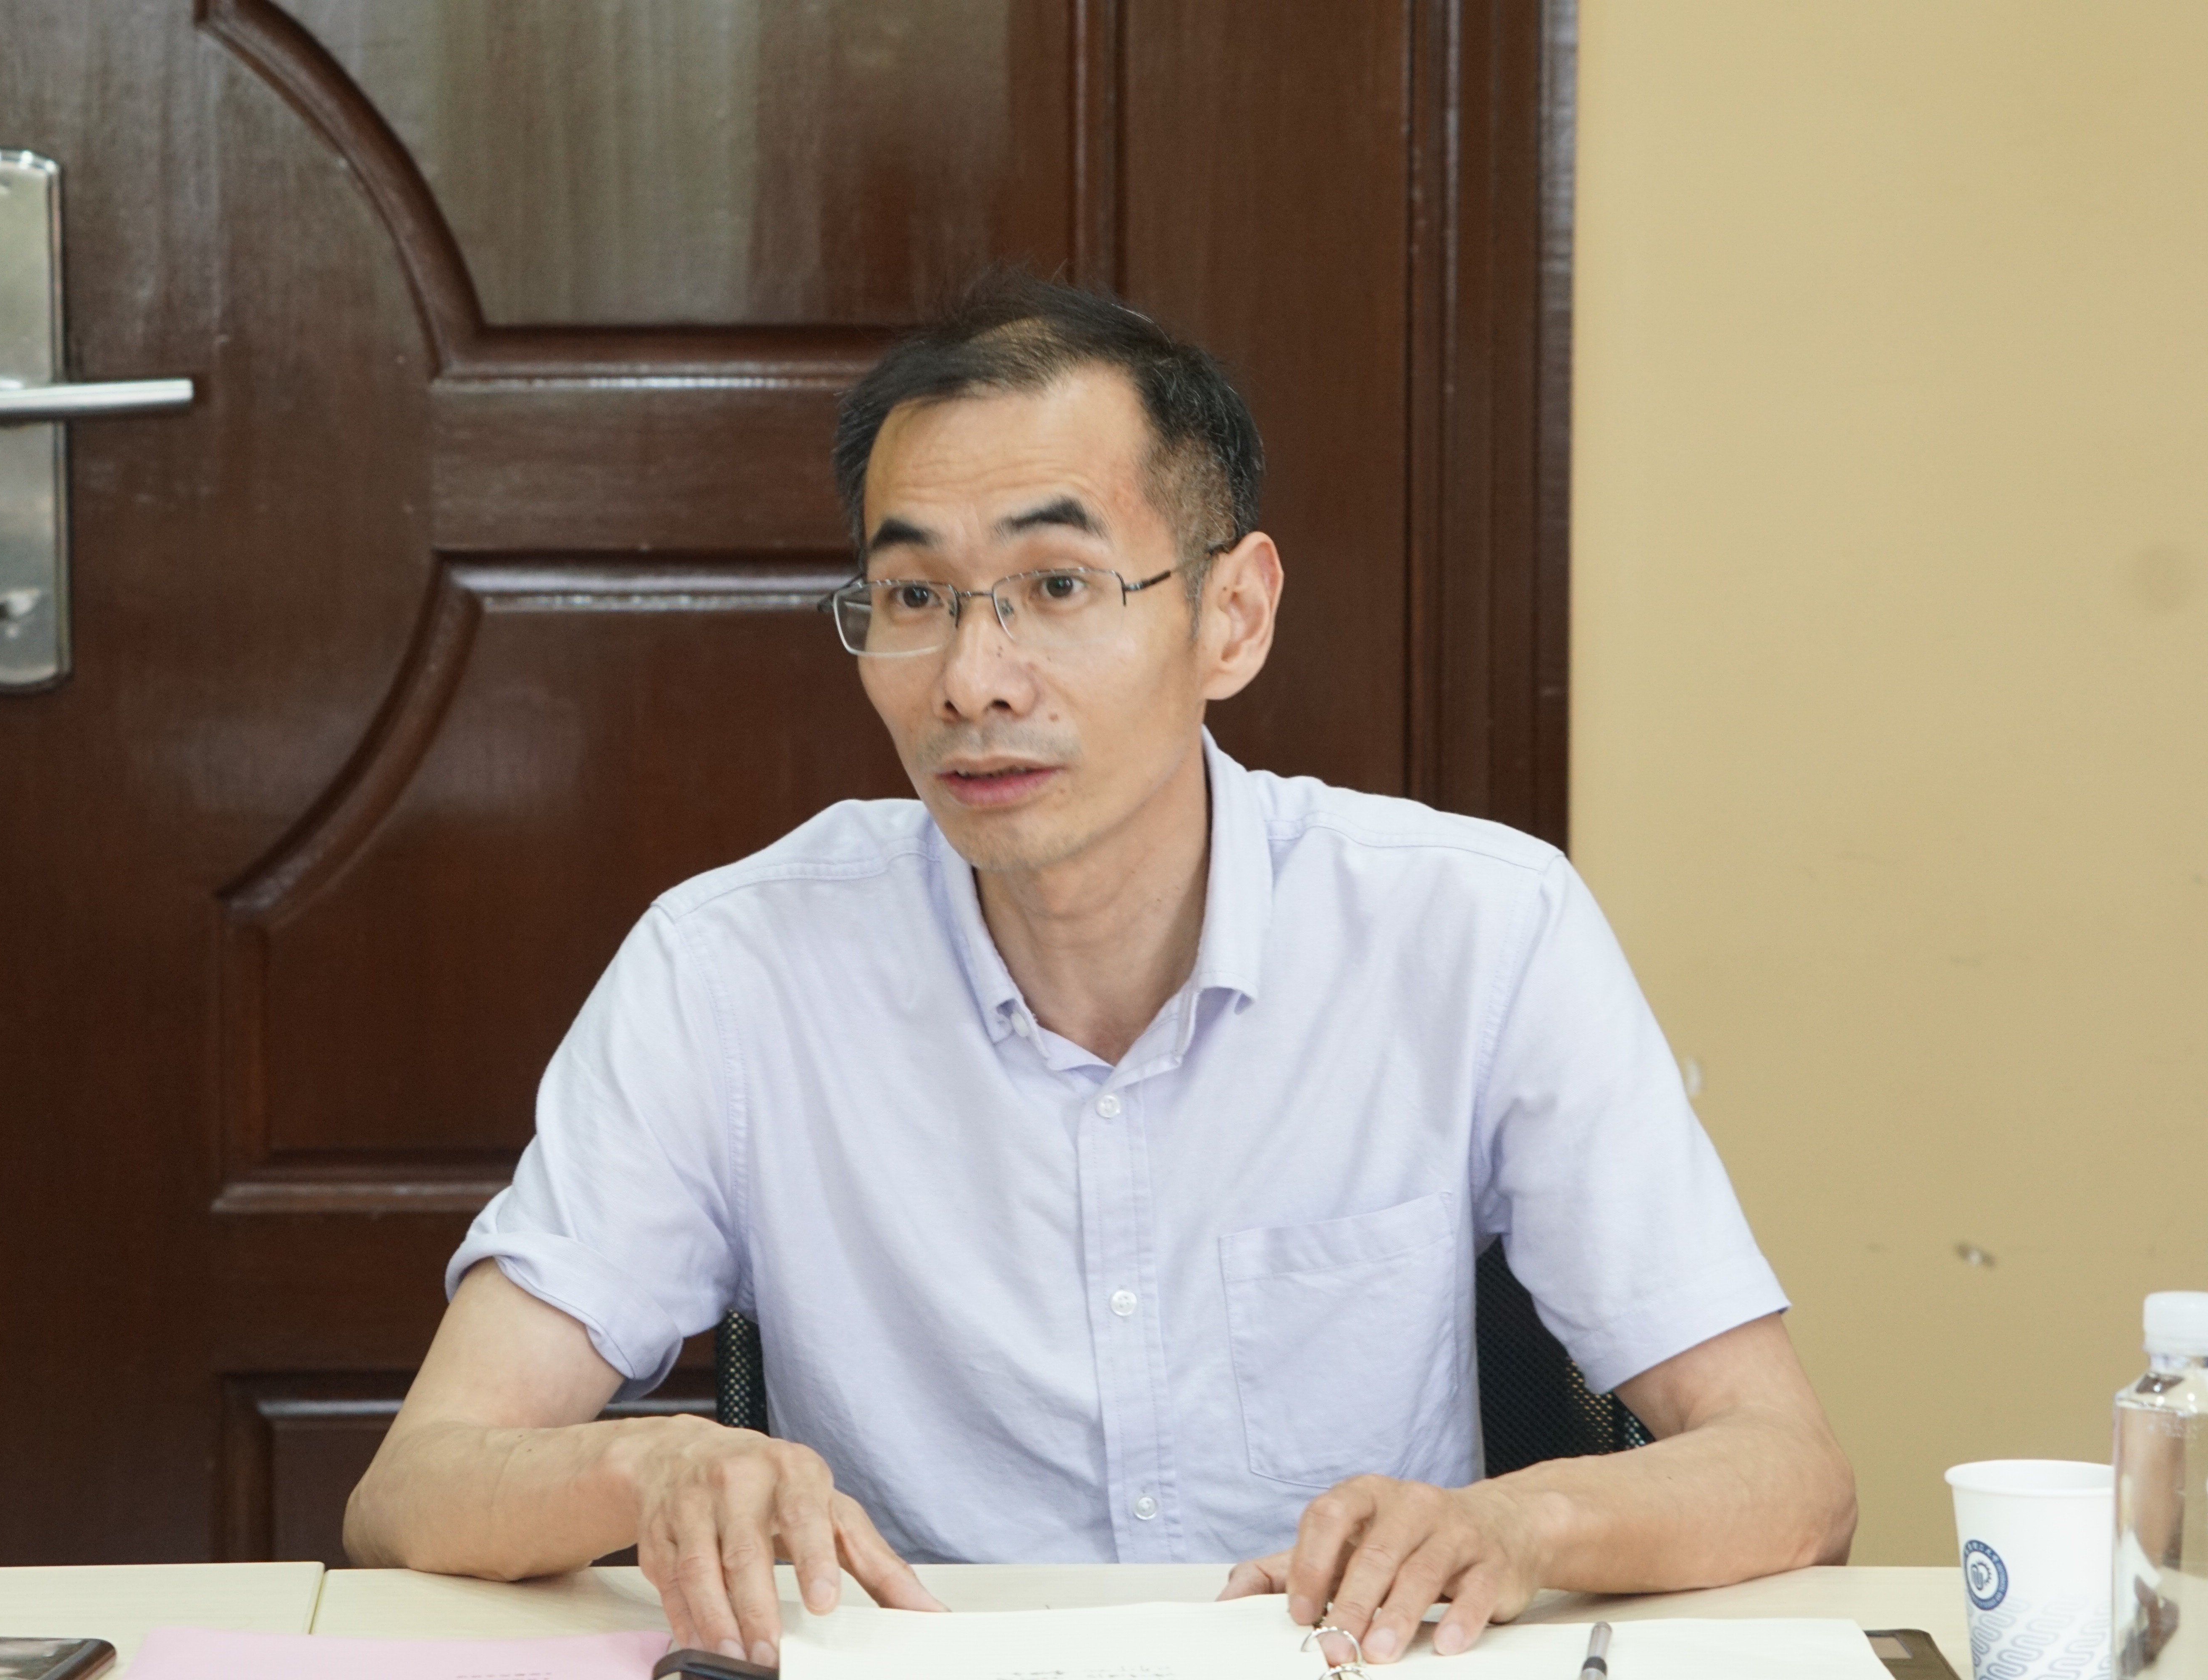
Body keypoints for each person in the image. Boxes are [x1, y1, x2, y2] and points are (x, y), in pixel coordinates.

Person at [343, 273, 1856, 1664]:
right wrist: (651, 1462)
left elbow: (1788, 1471)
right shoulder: (732, 969)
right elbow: (415, 1488)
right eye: (916, 597)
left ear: (1232, 617)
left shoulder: (1477, 930)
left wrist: (1518, 1527)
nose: (973, 680)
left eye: (1057, 587)